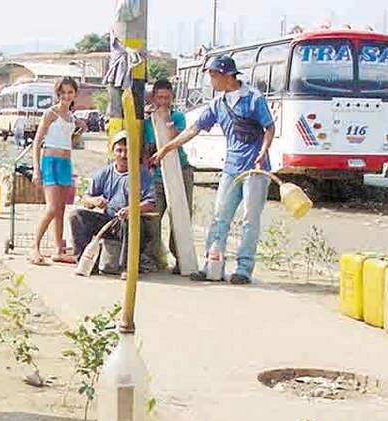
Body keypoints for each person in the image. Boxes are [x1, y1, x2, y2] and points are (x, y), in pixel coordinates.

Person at [151, 55, 275, 285]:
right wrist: (167, 148)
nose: (211, 80)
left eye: (213, 75)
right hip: (231, 167)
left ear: (226, 75)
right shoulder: (218, 104)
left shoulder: (253, 99)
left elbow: (269, 127)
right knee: (220, 217)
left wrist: (263, 151)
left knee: (250, 219)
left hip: (255, 169)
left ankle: (244, 269)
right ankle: (212, 265)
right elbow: (194, 129)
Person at [70, 131, 157, 274]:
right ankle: (86, 263)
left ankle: (127, 268)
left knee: (130, 222)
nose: (123, 155)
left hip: (133, 223)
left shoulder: (143, 175)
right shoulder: (104, 173)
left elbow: (151, 203)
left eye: (127, 151)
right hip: (109, 221)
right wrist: (95, 200)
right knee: (76, 216)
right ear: (113, 152)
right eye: (119, 150)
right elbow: (86, 198)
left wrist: (132, 209)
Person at [30, 77, 87, 266]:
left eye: (70, 92)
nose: (66, 96)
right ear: (58, 94)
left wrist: (80, 129)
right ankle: (35, 248)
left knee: (61, 209)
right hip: (50, 162)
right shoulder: (50, 113)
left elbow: (70, 136)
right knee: (52, 208)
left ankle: (58, 249)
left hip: (65, 162)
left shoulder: (71, 116)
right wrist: (36, 169)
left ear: (75, 94)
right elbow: (37, 141)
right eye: (62, 92)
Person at [143, 78, 194, 273]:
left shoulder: (178, 117)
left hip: (180, 170)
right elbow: (146, 148)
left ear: (171, 98)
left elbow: (175, 137)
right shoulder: (148, 122)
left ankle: (181, 258)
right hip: (156, 174)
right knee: (153, 216)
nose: (163, 101)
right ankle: (155, 256)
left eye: (167, 97)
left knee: (180, 216)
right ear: (153, 97)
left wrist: (166, 118)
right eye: (159, 97)